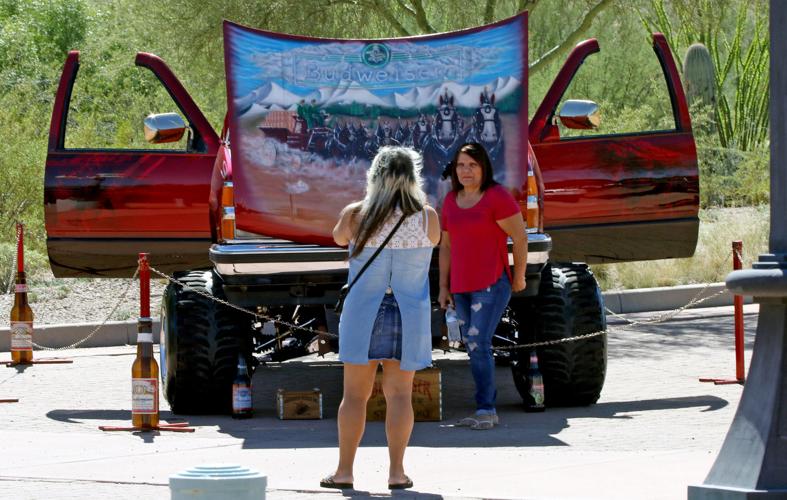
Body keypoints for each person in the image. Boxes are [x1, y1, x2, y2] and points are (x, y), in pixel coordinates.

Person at [322, 146, 440, 490]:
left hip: (363, 312)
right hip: (409, 314)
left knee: (355, 396)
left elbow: (337, 237)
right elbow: (434, 242)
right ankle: (396, 472)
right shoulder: (428, 216)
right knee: (400, 395)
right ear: (414, 177)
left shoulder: (357, 214)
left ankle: (344, 471)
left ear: (374, 176)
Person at [438, 142, 527, 430]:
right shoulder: (451, 200)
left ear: (483, 168)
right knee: (472, 345)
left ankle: (487, 409)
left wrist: (519, 276)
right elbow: (446, 246)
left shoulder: (496, 197)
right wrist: (443, 286)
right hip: (461, 286)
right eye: (461, 165)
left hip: (491, 283)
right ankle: (484, 407)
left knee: (479, 343)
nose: (466, 170)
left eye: (472, 165)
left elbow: (521, 237)